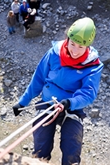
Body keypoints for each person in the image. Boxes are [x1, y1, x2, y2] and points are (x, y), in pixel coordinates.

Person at [13, 17, 104, 165]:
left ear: (88, 46)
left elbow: (88, 93)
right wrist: (23, 102)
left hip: (72, 108)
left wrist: (69, 102)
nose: (74, 51)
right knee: (40, 144)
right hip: (48, 102)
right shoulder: (54, 53)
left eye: (80, 47)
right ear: (67, 38)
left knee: (72, 147)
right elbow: (39, 79)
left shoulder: (93, 66)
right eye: (72, 44)